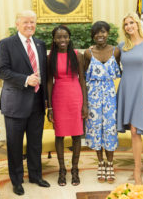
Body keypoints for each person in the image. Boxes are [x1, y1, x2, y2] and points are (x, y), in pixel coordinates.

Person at [0, 10, 50, 196]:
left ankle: (36, 176)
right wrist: (26, 79)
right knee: (15, 145)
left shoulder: (40, 44)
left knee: (36, 143)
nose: (29, 25)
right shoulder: (6, 44)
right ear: (17, 23)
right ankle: (17, 181)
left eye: (32, 22)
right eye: (26, 22)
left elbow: (44, 72)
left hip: (37, 102)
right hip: (15, 103)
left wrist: (47, 101)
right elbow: (2, 71)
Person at [117, 12, 143, 185]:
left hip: (141, 91)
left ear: (138, 24)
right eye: (126, 24)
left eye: (131, 23)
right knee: (132, 131)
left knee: (135, 131)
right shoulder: (121, 46)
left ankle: (137, 170)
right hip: (126, 90)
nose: (129, 26)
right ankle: (136, 168)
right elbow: (112, 66)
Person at [47, 25, 87, 186]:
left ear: (69, 38)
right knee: (60, 135)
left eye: (65, 37)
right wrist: (49, 107)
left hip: (75, 96)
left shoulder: (78, 55)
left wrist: (85, 103)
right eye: (59, 37)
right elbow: (49, 82)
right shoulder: (51, 57)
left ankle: (75, 170)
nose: (62, 40)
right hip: (59, 97)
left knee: (77, 135)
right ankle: (62, 170)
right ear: (54, 39)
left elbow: (82, 80)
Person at [84, 21, 121, 184]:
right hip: (93, 97)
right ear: (93, 35)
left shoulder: (116, 51)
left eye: (103, 32)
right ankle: (100, 163)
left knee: (110, 129)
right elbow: (83, 77)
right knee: (96, 129)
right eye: (97, 32)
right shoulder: (87, 53)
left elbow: (120, 74)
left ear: (108, 33)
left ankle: (110, 164)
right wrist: (85, 102)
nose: (100, 35)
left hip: (111, 97)